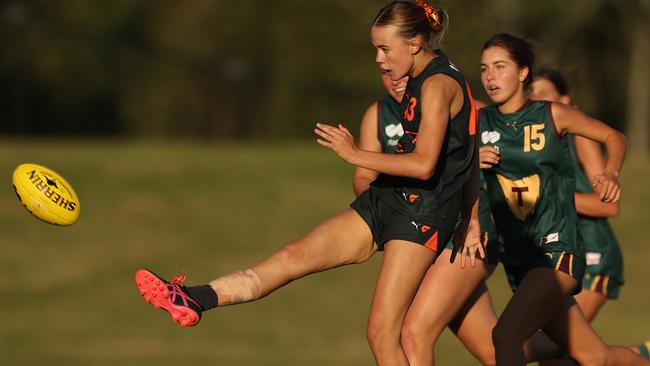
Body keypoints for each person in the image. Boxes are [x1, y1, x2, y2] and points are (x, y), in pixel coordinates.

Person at [134, 2, 479, 365]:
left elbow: (425, 166)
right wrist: (471, 216)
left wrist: (354, 155)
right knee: (293, 256)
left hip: (423, 213)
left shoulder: (438, 85)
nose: (378, 59)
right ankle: (194, 298)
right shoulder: (419, 76)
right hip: (391, 196)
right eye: (375, 49)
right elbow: (468, 157)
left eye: (384, 48)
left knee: (381, 333)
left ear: (413, 43)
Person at [478, 32, 650, 365]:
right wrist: (472, 165)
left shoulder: (553, 114)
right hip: (518, 260)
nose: (490, 76)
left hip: (556, 252)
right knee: (595, 357)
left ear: (523, 71)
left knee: (505, 335)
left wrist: (611, 173)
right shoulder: (479, 123)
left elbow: (614, 137)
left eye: (500, 67)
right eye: (484, 68)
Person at [527, 67, 650, 364]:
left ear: (565, 100)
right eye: (532, 94)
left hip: (595, 254)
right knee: (559, 354)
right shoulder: (531, 139)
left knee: (558, 347)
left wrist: (553, 195)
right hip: (560, 257)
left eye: (545, 94)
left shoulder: (578, 136)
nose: (537, 99)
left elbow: (609, 204)